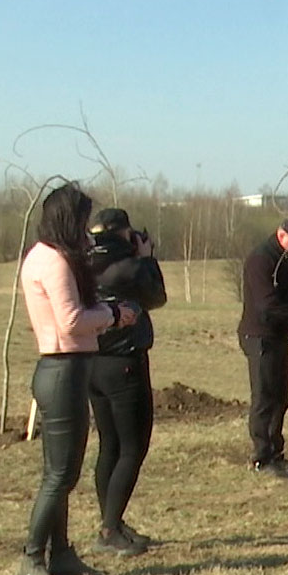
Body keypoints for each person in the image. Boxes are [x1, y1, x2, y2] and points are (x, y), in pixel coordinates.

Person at [17, 182, 140, 575]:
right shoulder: (53, 262)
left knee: (63, 471)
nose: (88, 228)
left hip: (65, 369)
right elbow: (71, 321)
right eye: (83, 219)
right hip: (63, 368)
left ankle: (63, 555)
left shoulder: (43, 256)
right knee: (59, 475)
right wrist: (111, 314)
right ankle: (33, 558)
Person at [85, 207, 167, 556]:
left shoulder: (83, 264)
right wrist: (148, 258)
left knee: (109, 446)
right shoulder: (129, 267)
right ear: (124, 233)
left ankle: (111, 521)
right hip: (126, 363)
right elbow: (157, 297)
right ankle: (109, 528)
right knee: (133, 447)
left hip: (93, 361)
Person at [238, 216, 288, 478]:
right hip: (260, 335)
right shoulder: (260, 260)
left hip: (281, 336)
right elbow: (267, 307)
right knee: (265, 397)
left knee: (282, 396)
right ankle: (262, 456)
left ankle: (276, 452)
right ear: (281, 235)